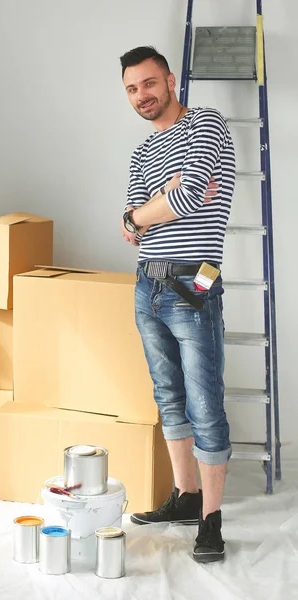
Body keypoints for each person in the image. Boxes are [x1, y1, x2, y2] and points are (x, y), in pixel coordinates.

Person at [119, 46, 235, 563]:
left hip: (197, 278)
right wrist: (146, 211)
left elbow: (185, 201)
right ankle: (186, 497)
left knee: (204, 401)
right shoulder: (143, 150)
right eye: (131, 89)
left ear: (168, 80)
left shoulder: (207, 123)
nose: (141, 95)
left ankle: (211, 521)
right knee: (168, 394)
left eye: (148, 83)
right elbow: (128, 221)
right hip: (149, 282)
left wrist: (147, 212)